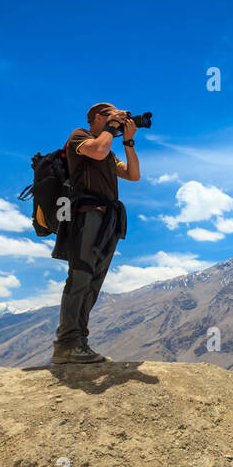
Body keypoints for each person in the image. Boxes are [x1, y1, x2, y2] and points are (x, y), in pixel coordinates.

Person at [51, 102, 139, 363]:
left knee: (93, 282)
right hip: (85, 214)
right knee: (80, 276)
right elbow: (98, 152)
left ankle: (79, 342)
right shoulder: (80, 136)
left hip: (108, 219)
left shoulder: (110, 148)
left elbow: (133, 175)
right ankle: (66, 343)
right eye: (114, 116)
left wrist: (129, 142)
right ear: (98, 117)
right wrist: (111, 129)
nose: (120, 120)